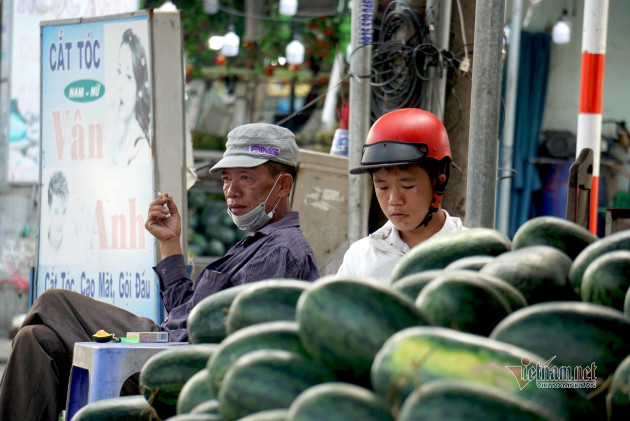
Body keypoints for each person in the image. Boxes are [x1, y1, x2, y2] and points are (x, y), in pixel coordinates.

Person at [0, 123, 319, 421]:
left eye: (245, 178)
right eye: (225, 178)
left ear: (283, 184)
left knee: (53, 302)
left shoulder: (279, 250)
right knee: (35, 340)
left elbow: (232, 343)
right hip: (168, 349)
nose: (231, 190)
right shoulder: (254, 245)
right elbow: (187, 312)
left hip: (178, 368)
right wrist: (170, 243)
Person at [337, 108, 465, 284]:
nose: (394, 200)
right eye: (382, 187)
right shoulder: (360, 258)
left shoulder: (470, 256)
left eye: (407, 186)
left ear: (438, 183)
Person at [111, 28, 152, 166]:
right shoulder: (117, 139)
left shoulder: (140, 151)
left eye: (128, 76)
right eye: (119, 70)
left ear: (139, 88)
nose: (120, 85)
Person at [46, 171, 69, 251]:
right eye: (56, 212)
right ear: (49, 210)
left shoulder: (73, 250)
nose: (60, 222)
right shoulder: (43, 248)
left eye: (63, 212)